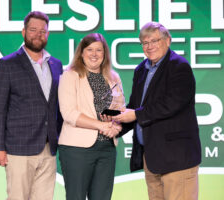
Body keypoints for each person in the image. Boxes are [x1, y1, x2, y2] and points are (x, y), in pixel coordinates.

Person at [113, 22, 202, 200]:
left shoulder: (179, 66)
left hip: (177, 158)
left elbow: (172, 104)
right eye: (145, 42)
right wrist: (115, 125)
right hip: (152, 157)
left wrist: (136, 114)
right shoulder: (141, 70)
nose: (149, 46)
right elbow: (135, 106)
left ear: (168, 41)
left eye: (154, 40)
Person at [0, 11, 63, 200]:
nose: (38, 34)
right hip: (18, 148)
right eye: (33, 30)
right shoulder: (7, 64)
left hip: (48, 148)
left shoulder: (56, 64)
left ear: (48, 34)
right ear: (23, 32)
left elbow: (57, 107)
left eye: (43, 31)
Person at [58, 33, 125, 200]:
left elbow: (120, 110)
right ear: (81, 53)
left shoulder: (113, 77)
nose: (94, 54)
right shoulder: (70, 75)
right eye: (89, 50)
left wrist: (115, 127)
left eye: (99, 50)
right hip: (77, 149)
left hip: (107, 149)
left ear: (105, 54)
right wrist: (101, 126)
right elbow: (69, 113)